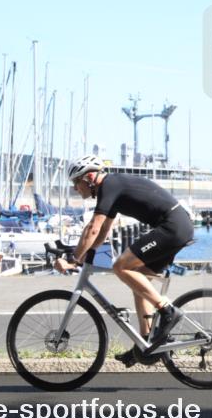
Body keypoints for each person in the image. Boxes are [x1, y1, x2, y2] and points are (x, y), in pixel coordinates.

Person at [57, 154, 194, 366]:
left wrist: (74, 259)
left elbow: (93, 228)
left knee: (121, 266)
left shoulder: (109, 186)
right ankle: (146, 344)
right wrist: (86, 254)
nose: (76, 188)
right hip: (176, 226)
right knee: (137, 279)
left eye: (76, 182)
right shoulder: (112, 189)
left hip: (172, 227)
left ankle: (167, 311)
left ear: (90, 178)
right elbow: (102, 231)